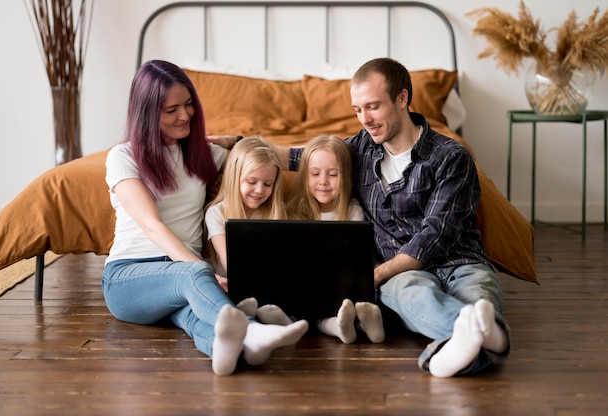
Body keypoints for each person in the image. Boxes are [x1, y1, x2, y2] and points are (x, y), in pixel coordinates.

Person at [283, 58, 510, 377]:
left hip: (462, 263)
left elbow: (435, 236)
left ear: (402, 99)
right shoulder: (360, 149)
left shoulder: (451, 156)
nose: (365, 119)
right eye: (357, 110)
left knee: (481, 299)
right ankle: (484, 341)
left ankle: (453, 350)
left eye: (372, 106)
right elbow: (304, 156)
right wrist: (239, 146)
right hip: (403, 276)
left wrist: (373, 275)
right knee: (415, 296)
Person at [102, 60, 308, 377]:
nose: (184, 116)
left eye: (188, 105)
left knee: (196, 318)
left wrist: (233, 139)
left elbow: (257, 157)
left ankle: (239, 350)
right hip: (128, 279)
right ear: (147, 113)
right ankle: (253, 330)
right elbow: (152, 227)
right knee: (194, 272)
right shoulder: (123, 157)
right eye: (171, 110)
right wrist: (200, 271)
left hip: (182, 283)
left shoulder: (204, 154)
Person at [287, 135, 385, 344]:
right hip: (303, 289)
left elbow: (354, 260)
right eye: (315, 174)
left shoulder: (352, 211)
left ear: (347, 177)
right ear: (304, 176)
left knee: (353, 297)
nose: (323, 181)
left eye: (333, 174)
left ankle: (361, 321)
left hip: (340, 287)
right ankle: (345, 326)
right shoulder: (292, 211)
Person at [204, 135, 293, 325]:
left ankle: (273, 315)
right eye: (252, 182)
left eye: (268, 184)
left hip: (270, 283)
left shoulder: (275, 211)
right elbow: (226, 259)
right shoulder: (216, 213)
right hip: (234, 283)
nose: (260, 190)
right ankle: (252, 314)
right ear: (235, 176)